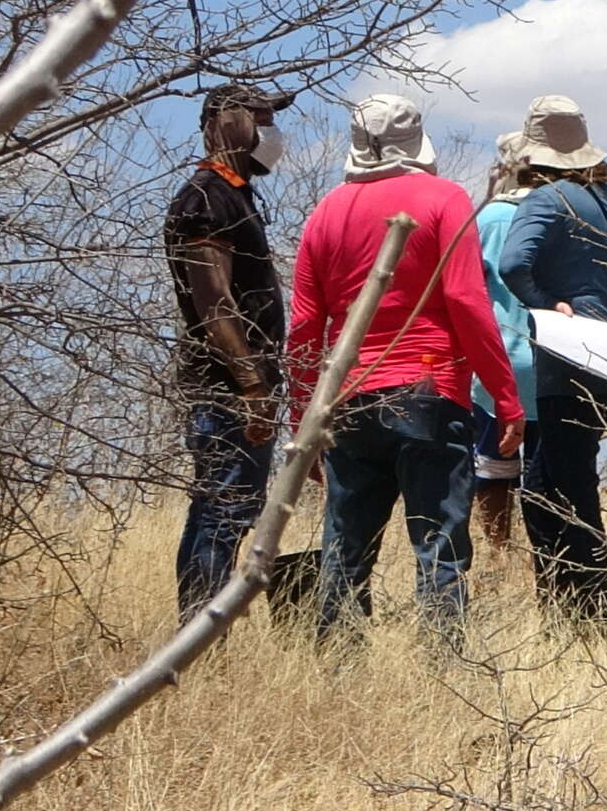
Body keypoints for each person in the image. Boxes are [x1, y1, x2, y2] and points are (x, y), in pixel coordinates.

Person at [287, 94, 523, 642]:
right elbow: (466, 300)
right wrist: (505, 397)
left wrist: (305, 417)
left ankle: (338, 671)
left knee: (345, 546)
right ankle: (446, 667)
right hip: (428, 385)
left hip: (347, 396)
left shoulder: (326, 210)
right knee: (439, 543)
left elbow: (303, 326)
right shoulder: (443, 197)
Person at [498, 95, 607, 623]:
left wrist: (548, 304)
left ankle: (585, 613)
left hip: (568, 360)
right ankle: (569, 608)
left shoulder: (545, 200)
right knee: (547, 485)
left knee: (564, 490)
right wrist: (604, 289)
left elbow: (512, 265)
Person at [163, 81, 293, 619]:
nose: (271, 133)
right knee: (222, 510)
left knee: (226, 509)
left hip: (240, 388)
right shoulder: (203, 200)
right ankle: (201, 636)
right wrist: (253, 386)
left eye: (272, 120)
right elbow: (214, 304)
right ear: (223, 121)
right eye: (259, 119)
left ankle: (200, 635)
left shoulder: (236, 193)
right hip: (226, 391)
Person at [470, 131, 540, 553]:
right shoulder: (561, 212)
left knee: (494, 469)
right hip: (555, 362)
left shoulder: (489, 219)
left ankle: (500, 554)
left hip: (499, 362)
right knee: (550, 472)